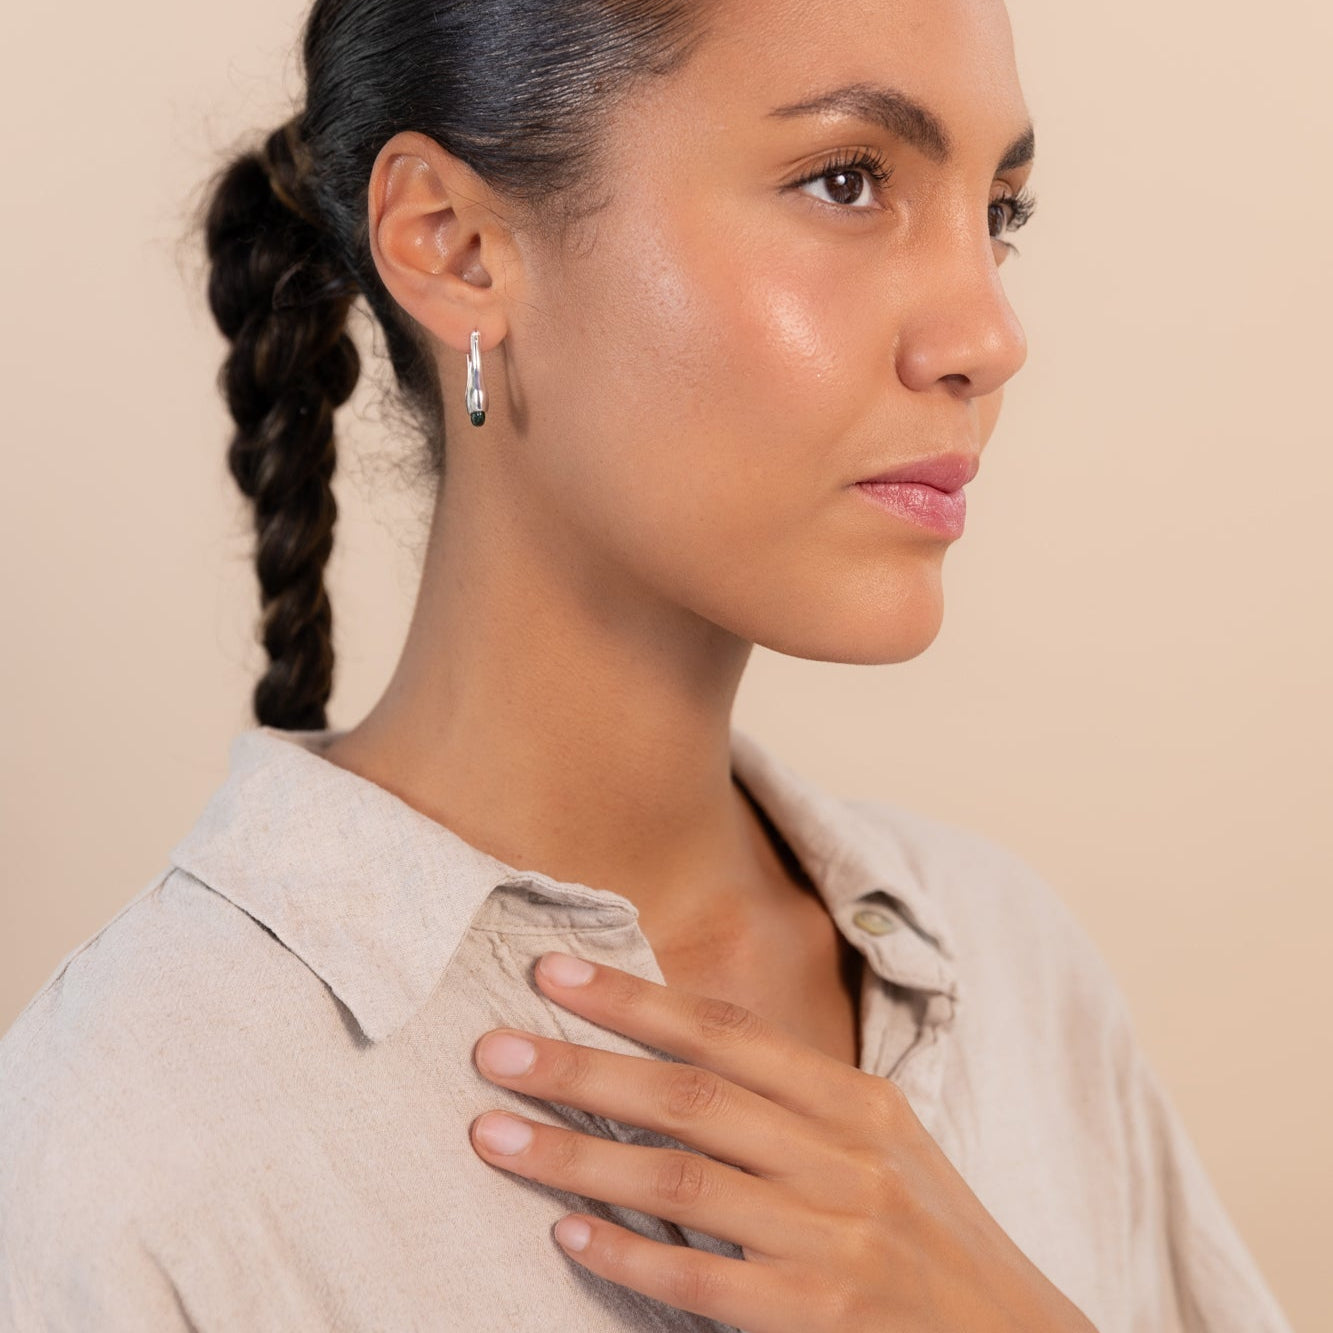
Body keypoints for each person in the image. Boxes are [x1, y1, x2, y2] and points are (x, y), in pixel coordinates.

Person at [0, 0, 1296, 1329]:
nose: (984, 334)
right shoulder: (130, 1144)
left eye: (998, 213)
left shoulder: (1011, 966)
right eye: (846, 182)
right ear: (453, 247)